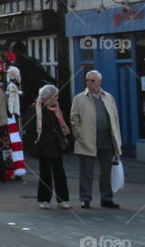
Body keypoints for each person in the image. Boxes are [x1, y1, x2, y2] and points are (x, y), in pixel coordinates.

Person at [70, 70, 123, 208]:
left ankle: (106, 198)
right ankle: (85, 198)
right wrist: (79, 135)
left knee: (106, 171)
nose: (89, 83)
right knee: (86, 171)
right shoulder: (79, 98)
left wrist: (116, 138)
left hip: (106, 139)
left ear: (99, 82)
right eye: (87, 80)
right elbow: (74, 119)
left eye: (92, 80)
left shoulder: (108, 97)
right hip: (87, 140)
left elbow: (115, 118)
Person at [34, 84, 71, 209]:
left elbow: (62, 127)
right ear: (47, 98)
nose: (57, 99)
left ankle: (63, 200)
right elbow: (31, 130)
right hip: (43, 146)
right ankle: (44, 200)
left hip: (56, 146)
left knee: (60, 173)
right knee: (45, 174)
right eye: (55, 96)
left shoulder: (58, 110)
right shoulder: (35, 110)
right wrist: (33, 146)